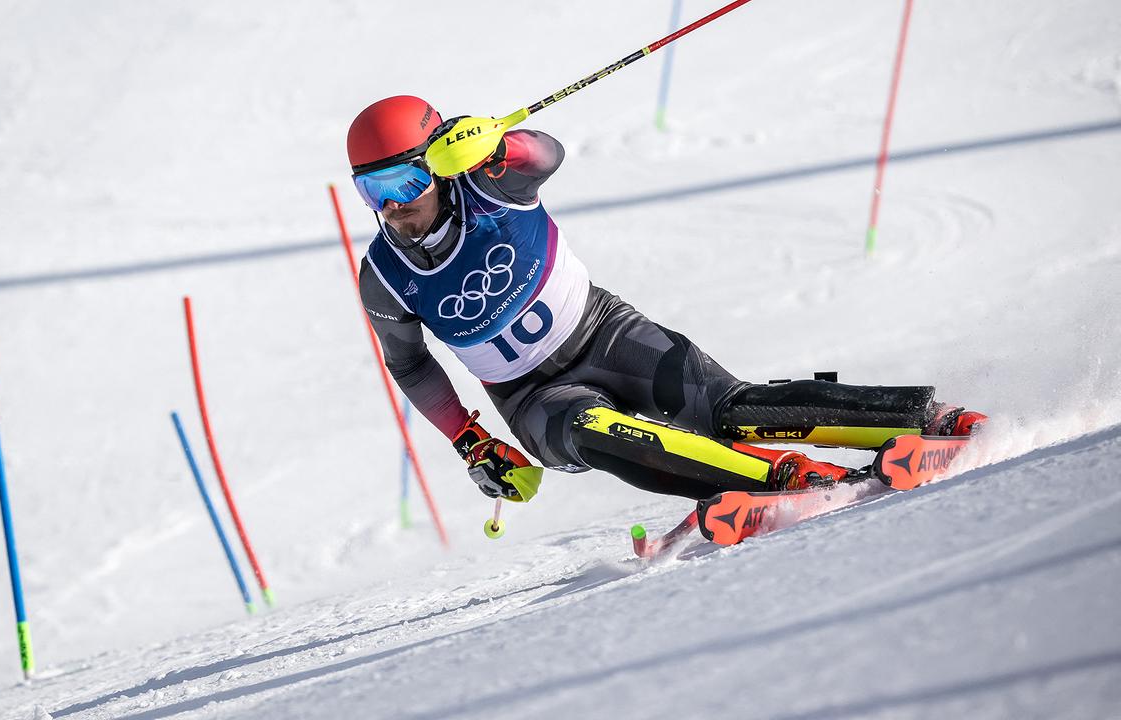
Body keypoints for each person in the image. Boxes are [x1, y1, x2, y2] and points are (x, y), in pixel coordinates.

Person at [347, 95, 985, 504]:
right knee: (595, 431)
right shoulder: (383, 275)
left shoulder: (491, 185)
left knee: (729, 411)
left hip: (604, 332)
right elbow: (410, 364)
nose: (395, 205)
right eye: (373, 192)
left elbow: (549, 155)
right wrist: (471, 441)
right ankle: (786, 481)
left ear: (435, 162)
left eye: (404, 180)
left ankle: (924, 418)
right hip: (531, 397)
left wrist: (496, 142)